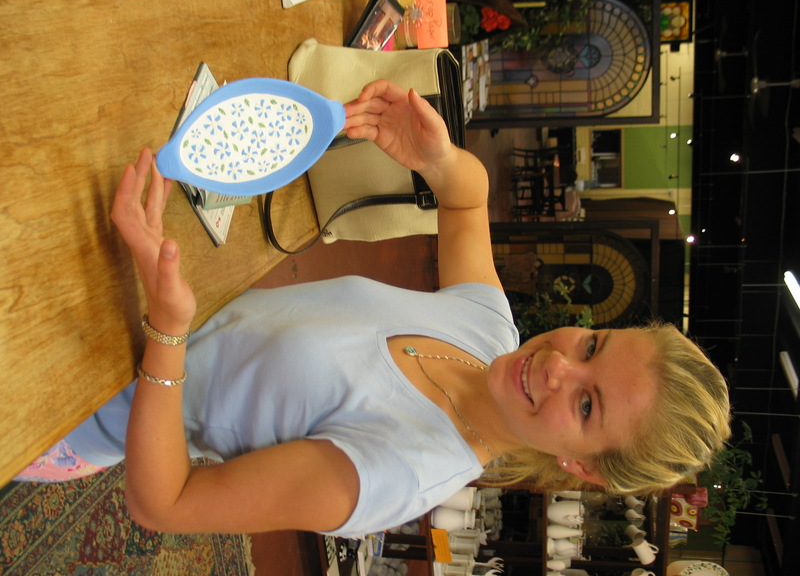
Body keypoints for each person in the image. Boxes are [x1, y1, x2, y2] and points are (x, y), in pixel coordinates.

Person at [16, 81, 731, 537]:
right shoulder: (488, 332)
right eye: (593, 348)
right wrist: (437, 159)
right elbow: (467, 202)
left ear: (583, 468)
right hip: (115, 307)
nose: (556, 368)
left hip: (73, 410)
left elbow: (165, 503)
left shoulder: (394, 473)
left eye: (586, 406)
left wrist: (169, 329)